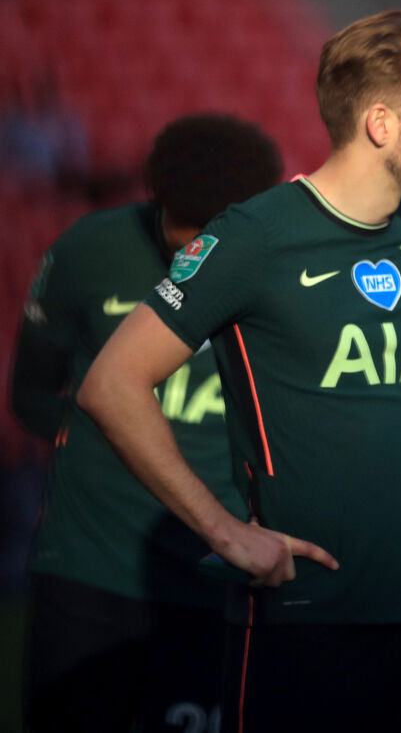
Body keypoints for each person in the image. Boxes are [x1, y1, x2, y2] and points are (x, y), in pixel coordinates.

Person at [76, 9, 401, 732]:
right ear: (381, 123)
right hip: (298, 626)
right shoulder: (255, 237)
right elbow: (112, 382)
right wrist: (224, 530)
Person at [11, 113, 281, 733]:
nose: (190, 259)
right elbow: (30, 388)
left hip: (212, 574)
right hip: (86, 569)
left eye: (208, 247)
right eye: (178, 240)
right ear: (155, 197)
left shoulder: (280, 279)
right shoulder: (88, 250)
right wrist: (76, 434)